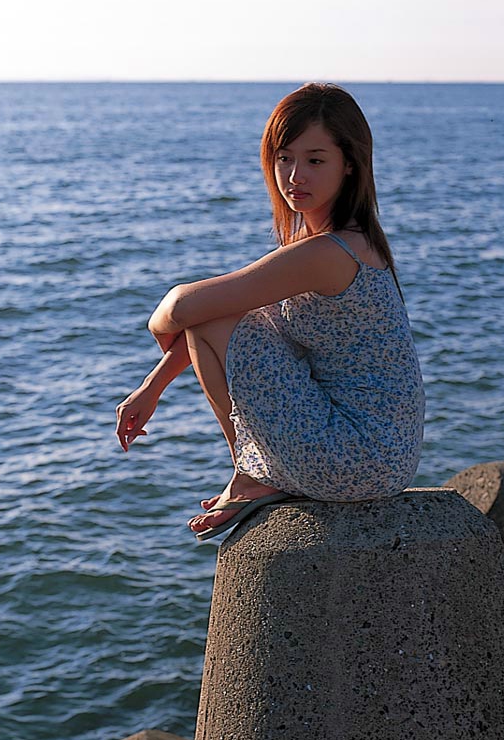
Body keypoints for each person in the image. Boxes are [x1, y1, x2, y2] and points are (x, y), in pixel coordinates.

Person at [116, 83, 425, 541]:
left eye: (315, 160)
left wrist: (161, 323)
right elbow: (230, 320)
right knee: (223, 316)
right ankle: (253, 472)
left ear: (350, 164)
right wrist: (152, 386)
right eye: (284, 158)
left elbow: (181, 308)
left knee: (209, 314)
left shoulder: (328, 252)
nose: (295, 176)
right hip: (383, 457)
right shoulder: (344, 241)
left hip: (357, 457)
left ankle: (250, 474)